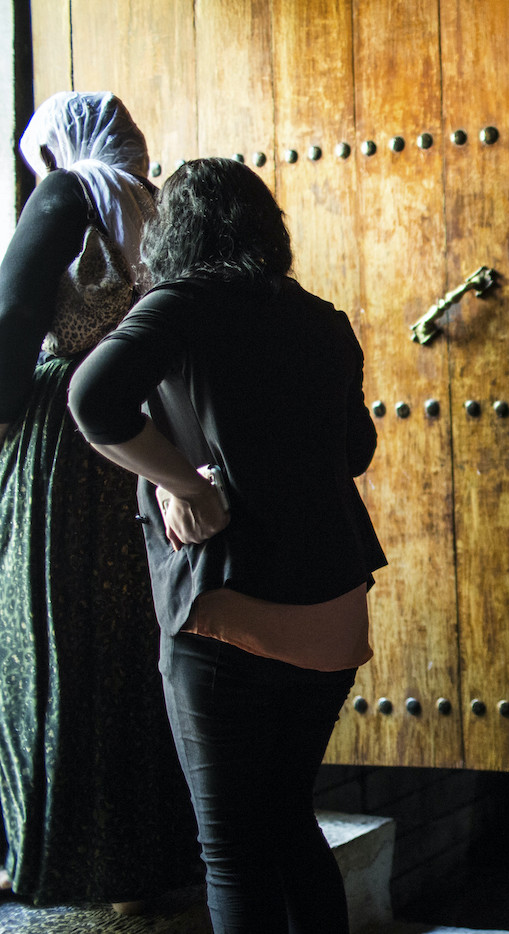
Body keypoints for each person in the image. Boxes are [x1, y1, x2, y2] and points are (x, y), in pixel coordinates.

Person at [67, 156, 387, 934]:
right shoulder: (322, 318)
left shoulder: (178, 305)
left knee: (234, 853)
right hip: (332, 619)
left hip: (227, 615)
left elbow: (92, 399)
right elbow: (353, 451)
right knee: (289, 823)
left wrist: (188, 485)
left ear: (172, 232)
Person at [0, 91, 199, 911]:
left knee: (41, 644)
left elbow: (13, 317)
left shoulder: (65, 194)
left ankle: (49, 858)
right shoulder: (156, 209)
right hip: (140, 443)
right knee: (127, 654)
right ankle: (137, 869)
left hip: (62, 448)